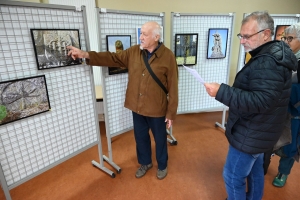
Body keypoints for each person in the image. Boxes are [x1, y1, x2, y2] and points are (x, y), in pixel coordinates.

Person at [204, 11, 298, 200]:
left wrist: (221, 91)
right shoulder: (270, 55)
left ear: (265, 34)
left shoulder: (268, 62)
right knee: (254, 173)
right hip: (261, 131)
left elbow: (261, 101)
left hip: (252, 133)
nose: (242, 41)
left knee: (232, 176)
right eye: (241, 35)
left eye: (247, 36)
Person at [67, 21, 178, 180]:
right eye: (141, 33)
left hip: (157, 108)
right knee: (140, 137)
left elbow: (173, 86)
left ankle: (162, 165)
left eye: (145, 34)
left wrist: (171, 113)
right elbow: (112, 58)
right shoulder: (134, 52)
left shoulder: (168, 56)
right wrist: (86, 54)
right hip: (137, 106)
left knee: (160, 139)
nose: (141, 37)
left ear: (156, 37)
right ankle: (145, 163)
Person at [272, 23, 300, 187]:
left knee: (290, 145)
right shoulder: (284, 57)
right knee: (271, 139)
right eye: (285, 38)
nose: (287, 42)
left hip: (295, 112)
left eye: (291, 38)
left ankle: (283, 172)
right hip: (279, 109)